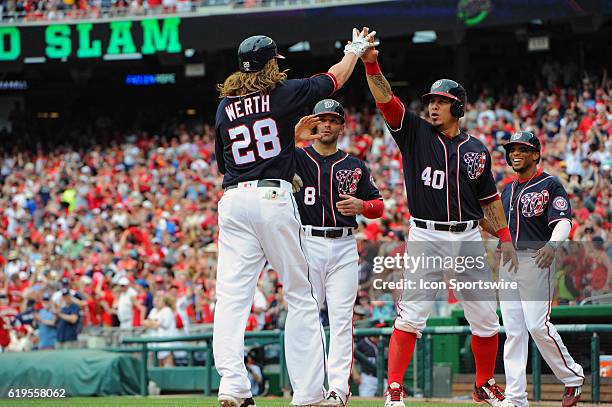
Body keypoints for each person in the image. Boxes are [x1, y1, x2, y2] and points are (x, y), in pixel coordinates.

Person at [213, 29, 376, 407]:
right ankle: (307, 393)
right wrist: (353, 48)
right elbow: (335, 77)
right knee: (301, 295)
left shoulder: (224, 106)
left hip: (234, 201)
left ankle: (233, 385)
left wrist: (287, 140)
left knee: (232, 299)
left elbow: (228, 162)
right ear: (272, 63)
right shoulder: (283, 94)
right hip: (272, 198)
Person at [359, 30, 518, 407]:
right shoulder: (414, 133)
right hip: (427, 235)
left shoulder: (476, 150)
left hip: (466, 237)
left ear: (458, 108)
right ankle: (395, 387)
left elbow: (489, 201)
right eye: (431, 100)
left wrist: (506, 238)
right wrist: (370, 63)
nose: (432, 107)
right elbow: (386, 99)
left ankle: (483, 384)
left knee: (485, 319)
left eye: (442, 102)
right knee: (412, 315)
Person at [293, 99, 383, 406]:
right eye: (322, 119)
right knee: (306, 318)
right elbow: (269, 161)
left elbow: (378, 206)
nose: (327, 124)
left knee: (342, 320)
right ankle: (307, 390)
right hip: (308, 242)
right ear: (314, 124)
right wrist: (294, 137)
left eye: (333, 119)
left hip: (344, 244)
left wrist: (362, 206)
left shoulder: (355, 165)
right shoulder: (296, 157)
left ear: (342, 126)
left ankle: (338, 392)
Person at [498, 131, 584, 407]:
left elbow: (564, 221)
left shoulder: (550, 184)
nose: (515, 153)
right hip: (509, 262)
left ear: (536, 153)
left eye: (522, 149)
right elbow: (498, 227)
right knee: (513, 332)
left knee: (537, 325)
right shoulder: (508, 189)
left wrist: (552, 245)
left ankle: (572, 378)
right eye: (512, 149)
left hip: (536, 258)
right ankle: (515, 398)